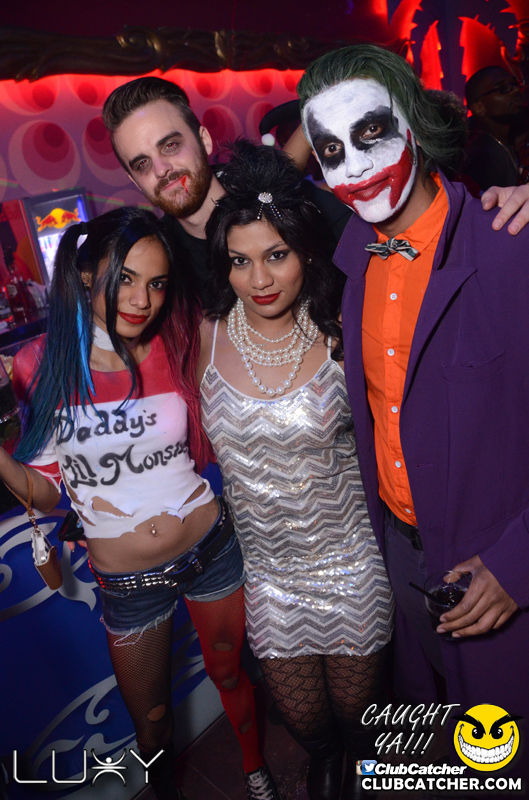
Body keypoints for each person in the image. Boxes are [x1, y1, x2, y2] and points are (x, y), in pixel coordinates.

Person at [299, 43, 529, 789]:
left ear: (415, 124)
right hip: (402, 559)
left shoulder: (511, 245)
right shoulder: (353, 263)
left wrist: (518, 565)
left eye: (371, 132)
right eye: (331, 151)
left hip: (497, 570)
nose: (356, 167)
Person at [4, 207, 279, 800]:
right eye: (125, 278)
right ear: (85, 274)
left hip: (212, 551)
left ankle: (256, 770)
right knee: (151, 721)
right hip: (129, 586)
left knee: (231, 673)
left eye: (156, 283)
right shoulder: (39, 365)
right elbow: (46, 492)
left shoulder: (177, 342)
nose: (141, 300)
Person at [198, 140, 394, 800]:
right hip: (271, 579)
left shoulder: (343, 327)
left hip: (352, 564)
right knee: (306, 721)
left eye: (275, 255)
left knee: (357, 715)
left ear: (305, 252)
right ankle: (326, 759)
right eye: (240, 261)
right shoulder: (207, 334)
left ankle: (353, 765)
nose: (259, 279)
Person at [101, 76, 529, 304]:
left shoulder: (285, 200)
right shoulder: (158, 260)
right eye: (142, 163)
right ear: (134, 180)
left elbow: (401, 243)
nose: (163, 170)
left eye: (170, 146)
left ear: (204, 140)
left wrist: (492, 214)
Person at [464, 66, 526, 191]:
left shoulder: (507, 143)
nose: (515, 90)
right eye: (503, 88)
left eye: (515, 84)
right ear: (478, 108)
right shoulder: (483, 156)